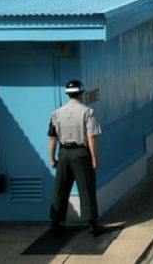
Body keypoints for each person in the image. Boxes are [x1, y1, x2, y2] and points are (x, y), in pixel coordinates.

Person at [48, 80, 102, 236]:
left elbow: (52, 138)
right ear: (81, 93)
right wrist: (94, 158)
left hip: (64, 153)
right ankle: (92, 224)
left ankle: (55, 223)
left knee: (60, 188)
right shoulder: (88, 112)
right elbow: (91, 137)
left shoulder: (56, 113)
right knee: (86, 188)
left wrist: (52, 158)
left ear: (67, 93)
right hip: (81, 153)